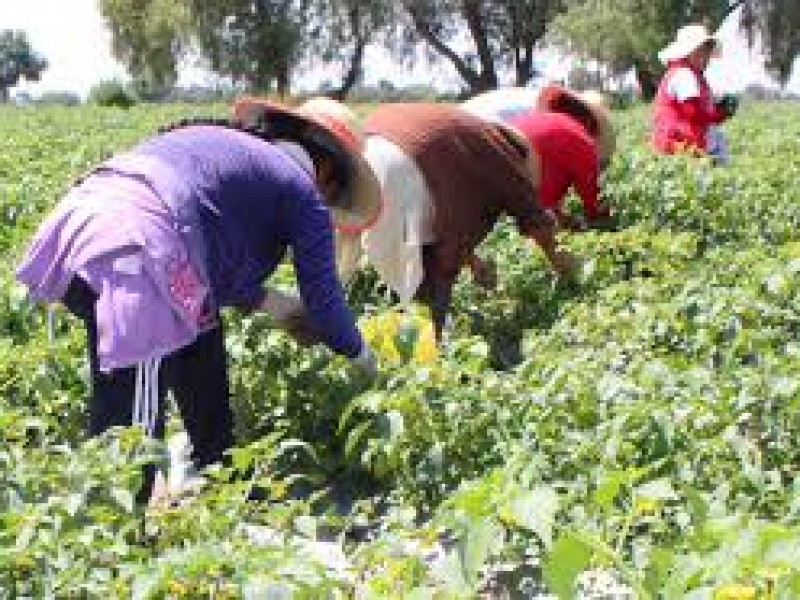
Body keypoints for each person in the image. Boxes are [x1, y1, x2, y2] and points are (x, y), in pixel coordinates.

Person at [16, 96, 383, 503]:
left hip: (83, 223)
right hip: (139, 249)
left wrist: (276, 305)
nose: (326, 201)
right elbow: (325, 305)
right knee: (130, 430)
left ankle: (223, 473)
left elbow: (214, 272)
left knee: (199, 332)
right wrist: (363, 357)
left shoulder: (228, 150)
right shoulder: (300, 189)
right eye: (333, 191)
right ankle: (112, 537)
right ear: (327, 168)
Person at [356, 102, 575, 337]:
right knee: (436, 277)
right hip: (404, 177)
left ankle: (384, 345)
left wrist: (474, 263)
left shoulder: (466, 133)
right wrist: (557, 258)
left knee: (336, 271)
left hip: (357, 162)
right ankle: (423, 355)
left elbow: (453, 204)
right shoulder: (503, 155)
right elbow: (534, 219)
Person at [462, 84, 617, 232]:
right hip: (506, 180)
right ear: (592, 123)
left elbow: (546, 175)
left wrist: (558, 215)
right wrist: (601, 219)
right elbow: (591, 198)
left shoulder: (539, 121)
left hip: (479, 164)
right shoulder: (582, 142)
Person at [652, 24, 739, 165]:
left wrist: (718, 108)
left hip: (678, 145)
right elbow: (692, 113)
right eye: (703, 52)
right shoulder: (684, 75)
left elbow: (697, 110)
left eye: (707, 53)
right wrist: (721, 114)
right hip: (677, 146)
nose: (707, 59)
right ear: (691, 52)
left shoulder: (686, 73)